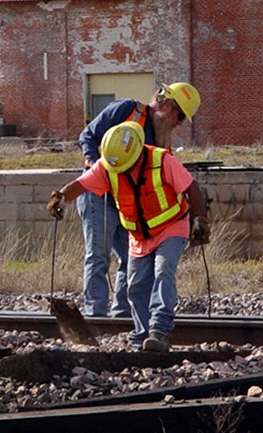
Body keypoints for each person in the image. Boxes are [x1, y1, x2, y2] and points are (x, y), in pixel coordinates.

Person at [48, 121, 211, 352]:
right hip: (139, 236)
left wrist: (201, 219)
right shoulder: (109, 165)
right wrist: (61, 197)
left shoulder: (162, 160)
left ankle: (159, 330)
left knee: (163, 272)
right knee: (135, 287)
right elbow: (82, 184)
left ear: (135, 153)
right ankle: (144, 337)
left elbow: (191, 188)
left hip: (171, 226)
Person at [76, 82, 202, 318]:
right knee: (98, 256)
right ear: (166, 104)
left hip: (128, 205)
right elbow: (88, 137)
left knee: (130, 258)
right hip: (99, 196)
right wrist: (99, 171)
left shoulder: (162, 141)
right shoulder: (126, 110)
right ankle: (96, 316)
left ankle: (123, 316)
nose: (179, 123)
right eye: (180, 115)